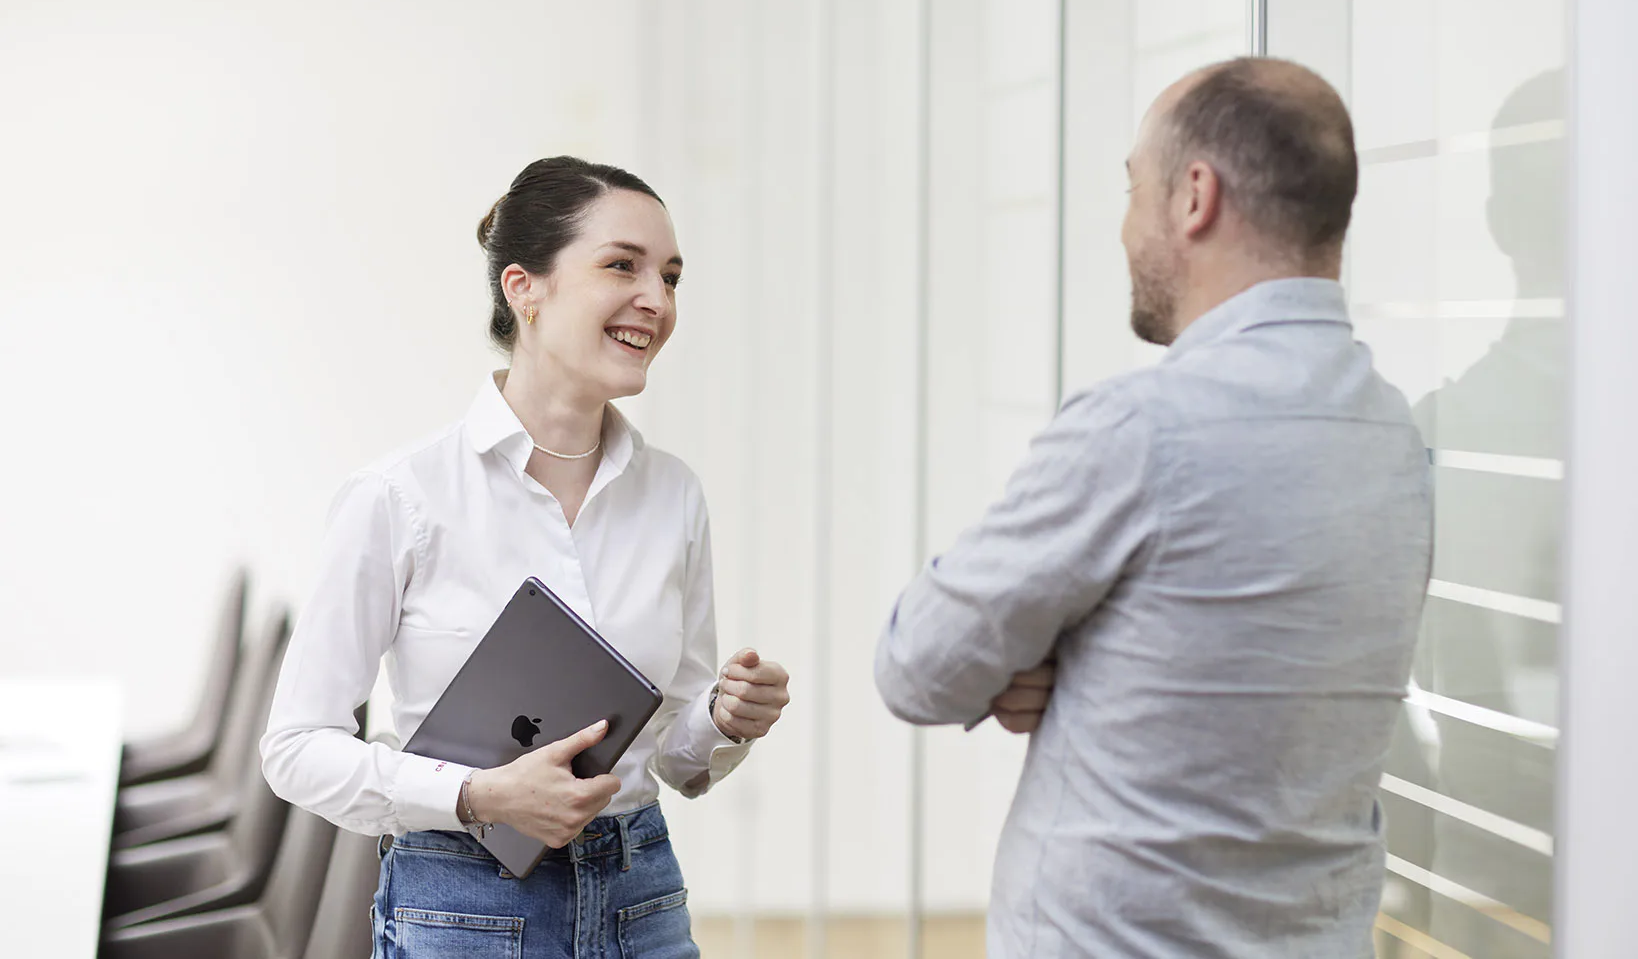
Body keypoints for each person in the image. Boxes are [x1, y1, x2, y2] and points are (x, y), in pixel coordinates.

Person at [875, 58, 1433, 958]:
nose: (1127, 225)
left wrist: (1047, 653)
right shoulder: (1393, 438)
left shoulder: (1140, 431)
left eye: (1134, 188)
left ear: (1195, 197)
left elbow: (918, 666)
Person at [261, 156, 791, 958]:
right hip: (463, 906)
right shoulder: (400, 497)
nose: (658, 298)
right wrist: (477, 794)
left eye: (672, 276)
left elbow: (676, 762)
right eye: (623, 265)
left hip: (640, 898)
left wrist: (722, 717)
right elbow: (296, 748)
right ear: (524, 288)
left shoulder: (674, 496)